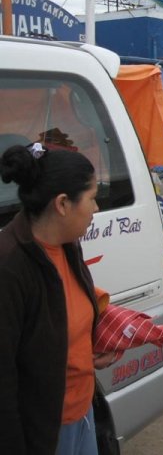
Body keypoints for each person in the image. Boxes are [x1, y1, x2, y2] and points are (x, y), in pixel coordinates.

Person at [0, 143, 116, 454]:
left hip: (83, 412)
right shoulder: (10, 267)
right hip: (44, 432)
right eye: (91, 199)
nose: (96, 209)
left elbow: (57, 325)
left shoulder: (68, 245)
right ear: (63, 204)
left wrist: (90, 348)